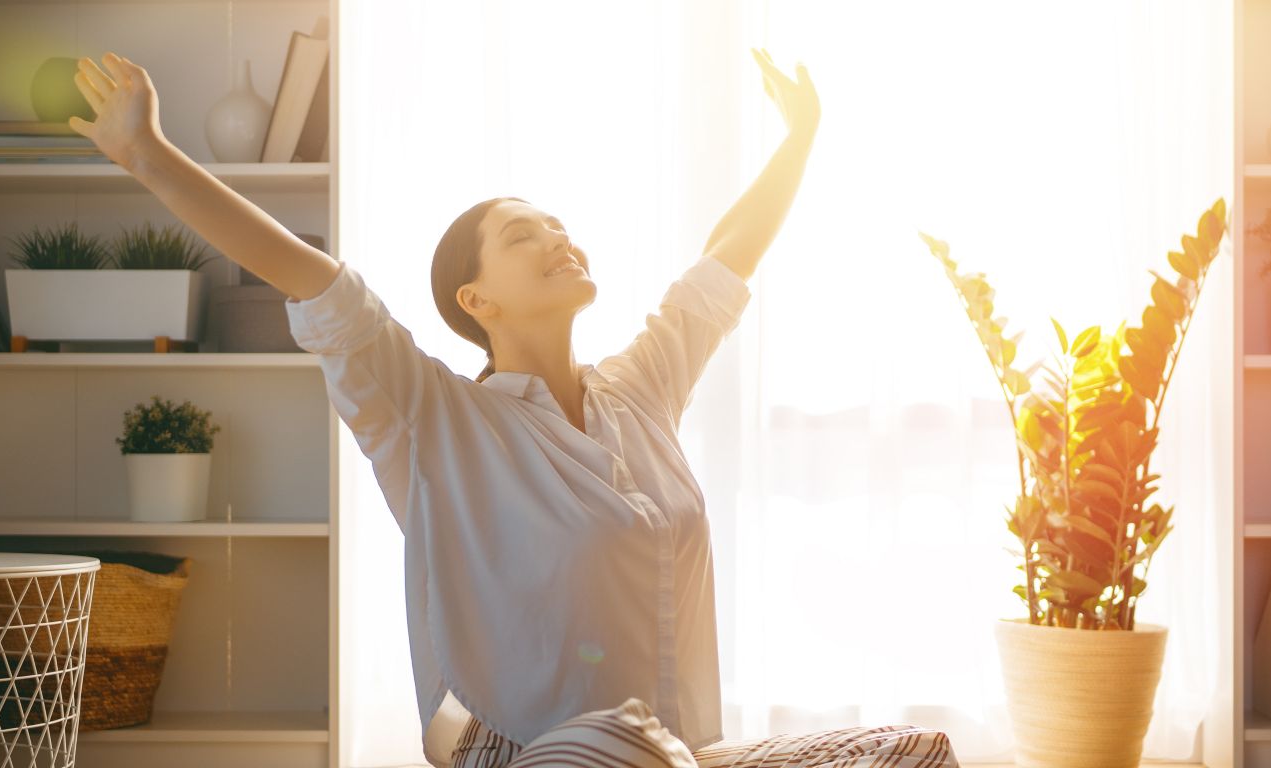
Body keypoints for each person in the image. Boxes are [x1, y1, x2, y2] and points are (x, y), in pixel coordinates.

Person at [70, 48, 956, 768]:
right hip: (515, 752)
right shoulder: (432, 417)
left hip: (673, 755)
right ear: (474, 301)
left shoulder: (640, 393)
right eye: (523, 236)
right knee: (622, 742)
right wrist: (149, 153)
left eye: (558, 226)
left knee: (916, 752)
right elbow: (311, 277)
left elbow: (722, 265)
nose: (557, 240)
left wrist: (800, 137)